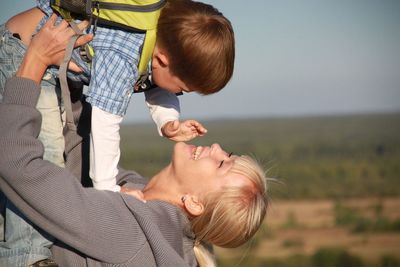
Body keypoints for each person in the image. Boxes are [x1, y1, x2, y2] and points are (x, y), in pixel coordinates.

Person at [0, 16, 266, 267]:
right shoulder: (140, 194)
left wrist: (33, 62)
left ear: (195, 202)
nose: (217, 148)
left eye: (221, 164)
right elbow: (74, 151)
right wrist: (78, 73)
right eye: (229, 153)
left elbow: (16, 164)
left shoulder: (131, 232)